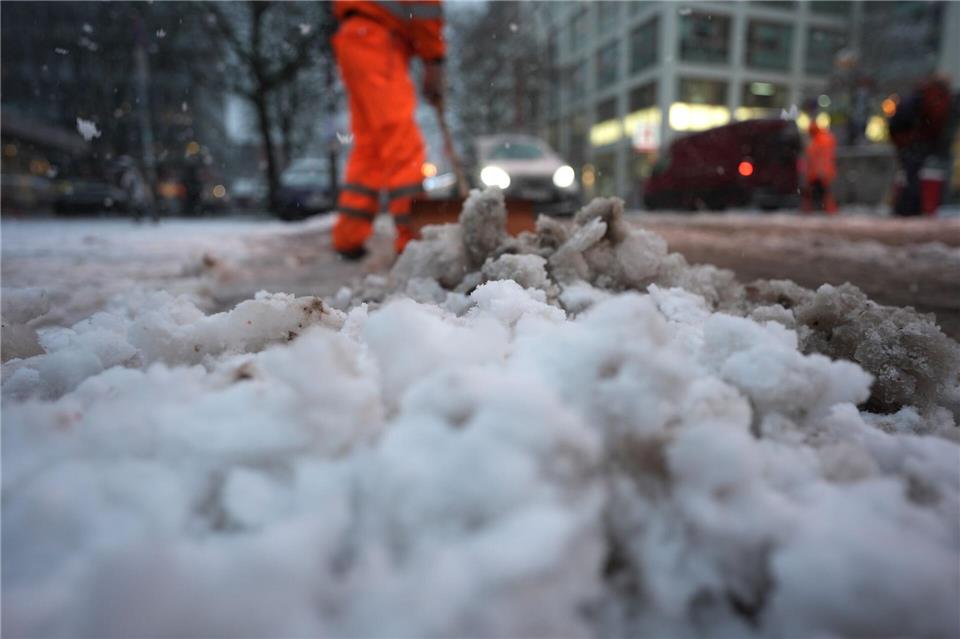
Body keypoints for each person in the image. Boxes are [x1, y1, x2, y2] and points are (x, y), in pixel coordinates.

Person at [331, 0, 445, 260]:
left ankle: (349, 235)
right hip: (377, 41)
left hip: (355, 36)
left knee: (370, 146)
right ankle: (412, 237)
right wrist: (433, 59)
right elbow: (425, 8)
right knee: (401, 142)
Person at [888, 75, 952, 216]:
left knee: (910, 175)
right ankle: (912, 207)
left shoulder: (920, 96)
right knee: (913, 174)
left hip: (910, 140)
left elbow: (899, 122)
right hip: (918, 141)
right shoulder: (938, 97)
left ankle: (907, 208)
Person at [801, 121, 838, 214]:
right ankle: (828, 209)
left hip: (819, 172)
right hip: (825, 171)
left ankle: (817, 209)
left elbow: (812, 156)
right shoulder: (826, 138)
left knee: (821, 192)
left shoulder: (817, 141)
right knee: (825, 192)